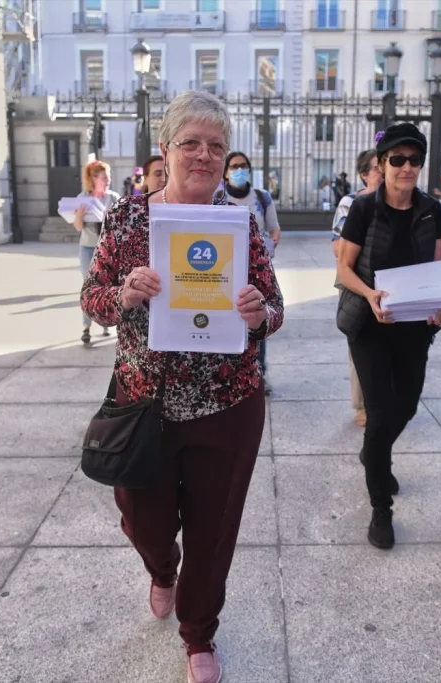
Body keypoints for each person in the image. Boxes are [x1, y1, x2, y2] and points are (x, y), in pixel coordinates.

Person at [81, 89, 284, 683]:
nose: (204, 155)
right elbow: (92, 298)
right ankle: (161, 567)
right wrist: (123, 295)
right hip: (144, 404)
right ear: (165, 149)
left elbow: (275, 309)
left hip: (227, 402)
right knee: (143, 521)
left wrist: (257, 314)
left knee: (213, 531)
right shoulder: (127, 218)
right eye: (190, 143)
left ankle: (199, 633)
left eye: (216, 146)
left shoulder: (240, 223)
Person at [335, 122, 441, 550]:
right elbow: (344, 268)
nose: (406, 167)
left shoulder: (432, 210)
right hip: (370, 324)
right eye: (397, 159)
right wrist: (370, 294)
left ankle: (373, 452)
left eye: (414, 160)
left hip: (414, 326)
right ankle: (381, 509)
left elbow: (437, 268)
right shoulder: (364, 208)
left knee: (408, 405)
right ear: (381, 164)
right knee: (380, 415)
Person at [215, 151, 281, 395]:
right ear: (225, 172)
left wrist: (268, 246)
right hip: (224, 271)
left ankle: (259, 373)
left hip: (256, 272)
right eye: (234, 166)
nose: (239, 170)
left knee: (257, 320)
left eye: (243, 166)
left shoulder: (262, 197)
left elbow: (274, 229)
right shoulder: (218, 198)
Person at [331, 147, 383, 427]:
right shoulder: (350, 203)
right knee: (360, 345)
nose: (384, 172)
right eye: (377, 168)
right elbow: (337, 247)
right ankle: (362, 405)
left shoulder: (404, 202)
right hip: (356, 283)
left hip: (390, 284)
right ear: (364, 174)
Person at [73, 159, 120, 345]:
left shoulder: (114, 198)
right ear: (93, 179)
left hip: (109, 249)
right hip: (87, 248)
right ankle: (86, 327)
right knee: (89, 287)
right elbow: (78, 227)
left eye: (109, 176)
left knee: (109, 286)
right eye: (104, 177)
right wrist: (79, 215)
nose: (108, 180)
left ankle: (106, 322)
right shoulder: (83, 197)